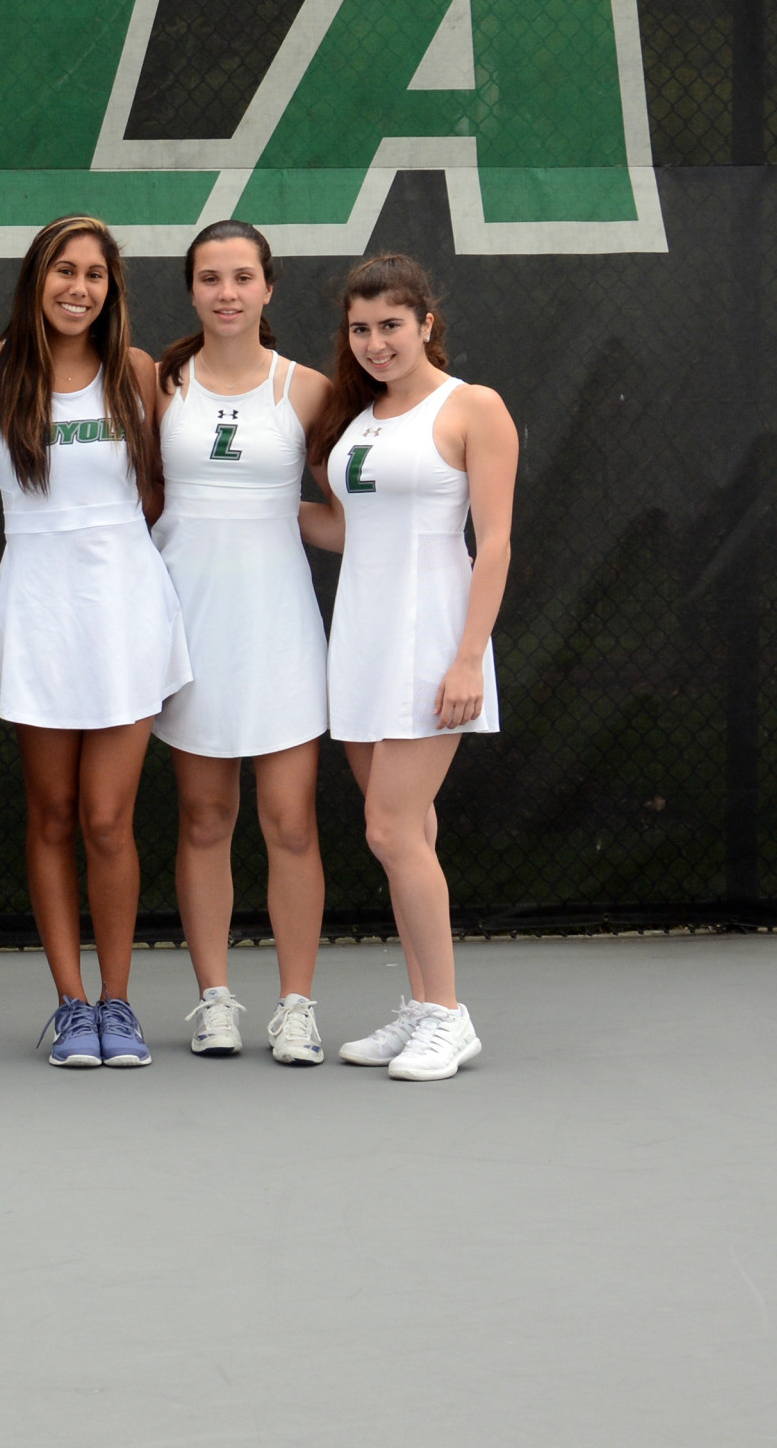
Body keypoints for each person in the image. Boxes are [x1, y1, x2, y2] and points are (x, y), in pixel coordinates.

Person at [0, 215, 188, 1069]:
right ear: (36, 278)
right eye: (64, 269)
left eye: (95, 273)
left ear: (112, 288)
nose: (78, 287)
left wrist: (115, 561)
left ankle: (118, 1004)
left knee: (105, 818)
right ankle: (69, 1004)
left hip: (124, 609)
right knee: (51, 814)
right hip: (39, 609)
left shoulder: (136, 373)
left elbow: (160, 491)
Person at [303, 253, 515, 1082]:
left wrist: (468, 658)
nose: (375, 342)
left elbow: (493, 541)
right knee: (408, 835)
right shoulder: (360, 418)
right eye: (360, 329)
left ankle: (448, 1016)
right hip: (361, 641)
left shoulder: (473, 407)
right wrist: (254, 510)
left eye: (391, 325)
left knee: (389, 828)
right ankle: (423, 1004)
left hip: (436, 648)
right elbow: (353, 531)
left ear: (426, 322)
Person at [149, 222, 333, 1064]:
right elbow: (137, 501)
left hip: (279, 626)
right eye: (211, 277)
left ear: (269, 288)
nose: (227, 291)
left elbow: (345, 513)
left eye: (243, 276)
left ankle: (297, 1006)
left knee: (291, 821)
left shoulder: (309, 392)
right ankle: (214, 999)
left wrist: (271, 516)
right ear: (192, 288)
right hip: (187, 622)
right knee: (204, 815)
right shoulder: (158, 383)